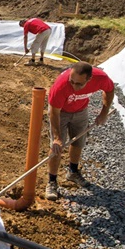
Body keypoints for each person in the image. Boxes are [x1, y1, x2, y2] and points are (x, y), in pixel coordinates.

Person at [45, 61, 114, 200]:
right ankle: (51, 181)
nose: (74, 86)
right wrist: (57, 137)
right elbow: (54, 113)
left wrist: (104, 112)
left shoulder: (101, 78)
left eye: (79, 84)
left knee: (78, 142)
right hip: (61, 112)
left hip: (81, 110)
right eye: (72, 82)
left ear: (89, 79)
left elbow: (110, 90)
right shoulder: (61, 86)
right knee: (56, 148)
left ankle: (73, 172)